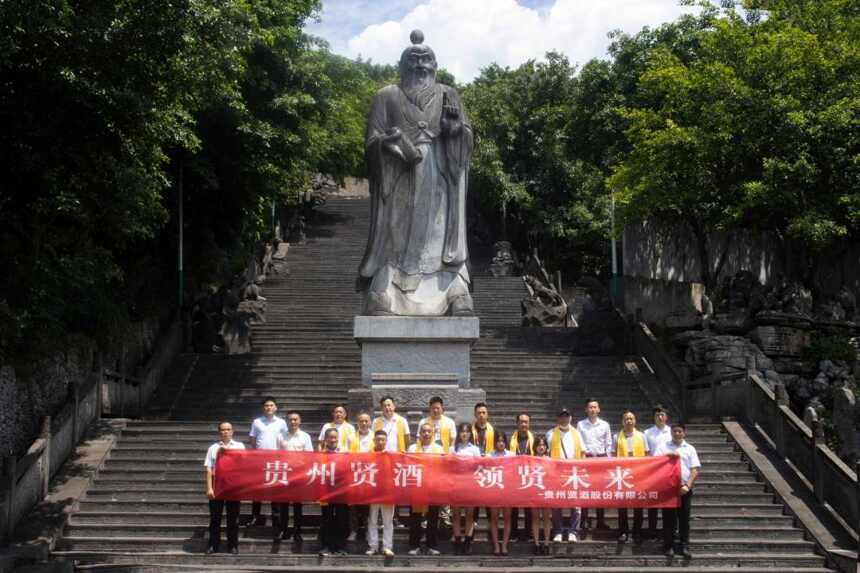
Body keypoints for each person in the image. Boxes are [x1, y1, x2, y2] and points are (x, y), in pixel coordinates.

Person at [357, 29, 475, 317]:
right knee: (395, 235)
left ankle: (453, 292)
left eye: (426, 60)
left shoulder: (449, 94)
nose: (420, 66)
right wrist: (389, 143)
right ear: (402, 65)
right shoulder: (386, 96)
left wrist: (455, 130)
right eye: (413, 60)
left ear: (435, 65)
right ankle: (386, 292)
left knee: (439, 234)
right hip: (399, 176)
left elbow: (466, 137)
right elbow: (372, 141)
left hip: (439, 176)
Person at [655, 423, 701, 559]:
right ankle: (668, 545)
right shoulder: (663, 447)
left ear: (684, 433)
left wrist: (688, 485)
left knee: (684, 519)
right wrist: (666, 456)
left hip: (684, 489)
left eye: (680, 431)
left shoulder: (690, 449)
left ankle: (684, 545)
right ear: (671, 433)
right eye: (675, 431)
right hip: (668, 489)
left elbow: (695, 469)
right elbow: (655, 463)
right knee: (668, 519)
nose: (677, 433)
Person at [246, 397, 288, 527]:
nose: (269, 407)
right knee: (257, 488)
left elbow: (285, 439)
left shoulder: (281, 422)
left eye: (271, 405)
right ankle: (255, 516)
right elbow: (252, 439)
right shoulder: (257, 422)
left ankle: (276, 516)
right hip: (260, 459)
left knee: (275, 487)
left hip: (276, 459)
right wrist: (256, 453)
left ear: (275, 408)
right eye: (266, 405)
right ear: (263, 408)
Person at [204, 421, 244, 554]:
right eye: (223, 429)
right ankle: (213, 545)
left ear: (232, 431)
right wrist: (209, 488)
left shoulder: (239, 446)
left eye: (228, 429)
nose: (225, 432)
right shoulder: (213, 448)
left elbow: (244, 466)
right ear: (219, 432)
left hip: (233, 486)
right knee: (215, 518)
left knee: (233, 518)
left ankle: (233, 545)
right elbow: (209, 469)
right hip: (217, 485)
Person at [547, 407, 584, 543]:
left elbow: (583, 452)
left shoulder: (577, 433)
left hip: (574, 473)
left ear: (570, 418)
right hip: (557, 472)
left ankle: (573, 531)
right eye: (562, 416)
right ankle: (558, 530)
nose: (564, 418)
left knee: (575, 503)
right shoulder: (550, 434)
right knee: (557, 502)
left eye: (566, 416)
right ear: (558, 418)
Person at [407, 422, 444, 555]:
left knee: (433, 518)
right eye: (424, 431)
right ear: (419, 433)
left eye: (429, 431)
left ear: (433, 433)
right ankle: (414, 545)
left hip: (432, 488)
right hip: (416, 487)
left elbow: (442, 469)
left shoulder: (439, 450)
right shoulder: (412, 449)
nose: (426, 434)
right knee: (415, 518)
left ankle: (431, 545)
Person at [276, 410, 313, 542]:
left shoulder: (305, 436)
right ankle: (283, 530)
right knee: (284, 504)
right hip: (285, 473)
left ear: (300, 421)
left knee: (298, 505)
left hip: (299, 474)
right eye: (290, 420)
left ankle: (297, 531)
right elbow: (276, 455)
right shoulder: (280, 436)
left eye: (295, 419)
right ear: (286, 421)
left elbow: (310, 456)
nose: (293, 422)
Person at [614, 410, 650, 543]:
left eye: (631, 418)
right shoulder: (616, 436)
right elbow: (612, 454)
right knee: (622, 505)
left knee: (638, 504)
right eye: (626, 419)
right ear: (622, 421)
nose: (629, 421)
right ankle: (623, 531)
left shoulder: (642, 436)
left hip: (638, 473)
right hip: (622, 474)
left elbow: (647, 454)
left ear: (635, 421)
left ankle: (637, 531)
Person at [576, 398, 611, 532]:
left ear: (599, 409)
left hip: (601, 459)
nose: (592, 410)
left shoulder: (605, 425)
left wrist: (607, 459)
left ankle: (600, 520)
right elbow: (579, 441)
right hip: (587, 459)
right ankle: (583, 519)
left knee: (600, 491)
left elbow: (608, 443)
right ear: (586, 409)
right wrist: (583, 457)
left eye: (595, 407)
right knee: (585, 490)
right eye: (590, 407)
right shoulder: (580, 424)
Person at [318, 428, 350, 556]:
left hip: (342, 490)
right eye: (330, 437)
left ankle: (340, 546)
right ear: (325, 439)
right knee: (327, 518)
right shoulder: (320, 455)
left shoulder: (345, 453)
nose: (332, 440)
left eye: (335, 437)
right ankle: (326, 546)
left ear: (338, 438)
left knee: (342, 518)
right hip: (326, 491)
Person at [451, 423, 480, 554]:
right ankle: (457, 541)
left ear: (470, 434)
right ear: (459, 433)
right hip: (456, 484)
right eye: (462, 431)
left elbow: (479, 466)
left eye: (467, 431)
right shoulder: (454, 449)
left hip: (470, 485)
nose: (464, 434)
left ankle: (467, 541)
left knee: (469, 515)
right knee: (456, 514)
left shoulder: (475, 449)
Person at [644, 404, 672, 537]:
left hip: (669, 470)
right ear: (653, 418)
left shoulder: (672, 432)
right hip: (653, 471)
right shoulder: (647, 433)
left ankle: (670, 529)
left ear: (666, 417)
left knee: (669, 501)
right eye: (657, 415)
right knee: (653, 499)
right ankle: (652, 528)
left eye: (662, 415)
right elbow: (646, 452)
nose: (660, 417)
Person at [366, 430, 396, 556]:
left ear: (386, 441)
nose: (380, 442)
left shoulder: (392, 455)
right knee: (372, 519)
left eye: (383, 439)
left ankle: (387, 546)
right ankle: (373, 546)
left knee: (387, 520)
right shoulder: (368, 454)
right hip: (372, 491)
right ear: (374, 440)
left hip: (387, 491)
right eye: (378, 439)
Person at [347, 412, 374, 543]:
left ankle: (369, 531)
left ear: (370, 422)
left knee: (368, 507)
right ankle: (354, 530)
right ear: (357, 423)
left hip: (370, 475)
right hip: (354, 474)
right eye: (361, 421)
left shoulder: (375, 437)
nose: (364, 424)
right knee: (353, 506)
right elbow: (345, 455)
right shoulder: (351, 437)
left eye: (366, 421)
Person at [509, 412, 534, 542]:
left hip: (530, 476)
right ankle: (513, 533)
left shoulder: (534, 440)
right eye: (521, 422)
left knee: (529, 507)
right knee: (514, 508)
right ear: (517, 423)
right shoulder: (511, 440)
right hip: (514, 476)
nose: (524, 424)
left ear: (529, 424)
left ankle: (528, 534)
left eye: (526, 422)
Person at [488, 431, 513, 556]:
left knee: (507, 518)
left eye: (503, 441)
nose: (501, 443)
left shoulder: (511, 455)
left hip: (507, 491)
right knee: (494, 519)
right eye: (498, 441)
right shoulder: (490, 456)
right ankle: (496, 545)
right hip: (494, 491)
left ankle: (504, 545)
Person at [530, 436, 552, 555]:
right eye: (539, 445)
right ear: (535, 447)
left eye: (543, 445)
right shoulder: (530, 459)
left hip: (547, 491)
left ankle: (547, 543)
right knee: (535, 518)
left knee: (547, 518)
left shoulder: (550, 460)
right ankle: (537, 543)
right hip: (534, 490)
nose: (541, 447)